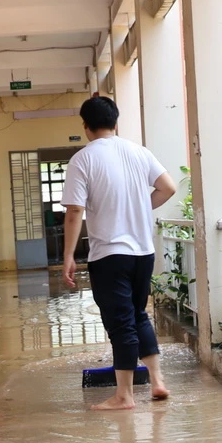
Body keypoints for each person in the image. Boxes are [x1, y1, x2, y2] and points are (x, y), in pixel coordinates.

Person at [61, 95, 179, 410]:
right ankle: (157, 381)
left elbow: (75, 210)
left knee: (120, 322)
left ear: (85, 127)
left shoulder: (83, 159)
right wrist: (139, 208)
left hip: (110, 255)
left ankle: (124, 395)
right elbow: (168, 187)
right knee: (138, 314)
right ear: (117, 122)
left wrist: (68, 255)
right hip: (143, 253)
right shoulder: (139, 153)